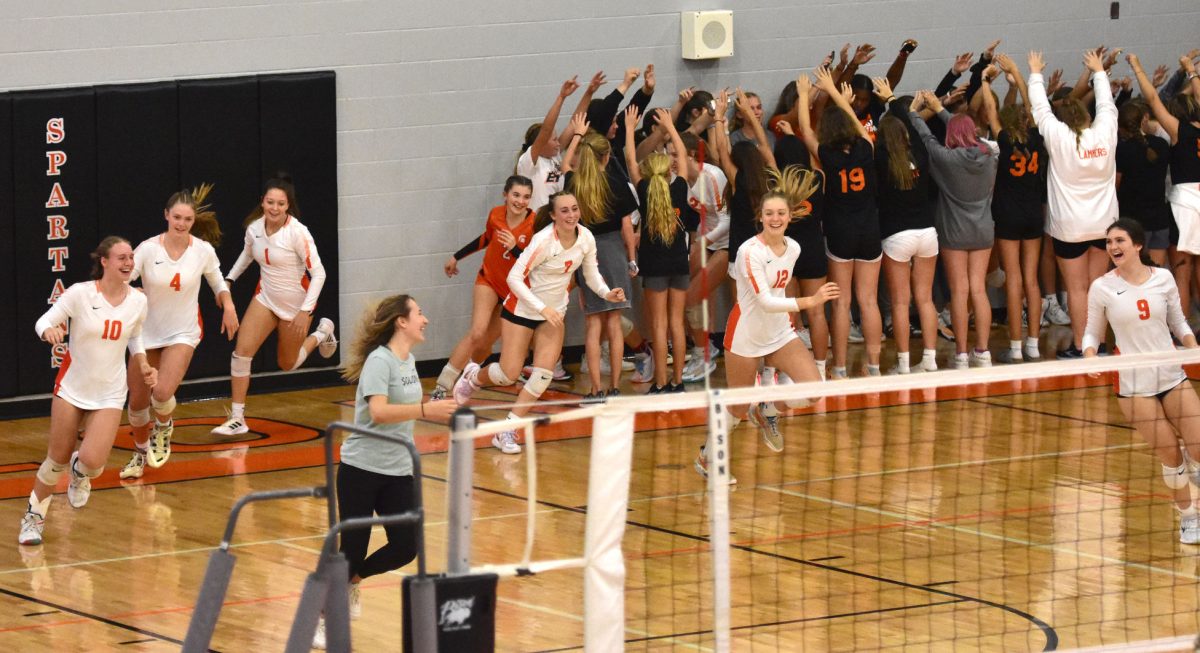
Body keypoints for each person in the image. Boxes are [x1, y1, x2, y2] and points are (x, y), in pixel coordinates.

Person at [309, 294, 458, 649]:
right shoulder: (381, 361)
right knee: (353, 547)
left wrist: (430, 411)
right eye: (419, 313)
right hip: (361, 469)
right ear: (401, 322)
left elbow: (404, 411)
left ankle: (351, 582)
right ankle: (323, 617)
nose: (426, 319)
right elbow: (377, 412)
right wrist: (425, 410)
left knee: (406, 546)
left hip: (398, 470)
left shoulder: (409, 361)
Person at [695, 168, 838, 480]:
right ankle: (709, 457)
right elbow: (765, 301)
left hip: (779, 333)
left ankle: (769, 406)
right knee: (736, 410)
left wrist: (795, 313)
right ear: (760, 217)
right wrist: (808, 303)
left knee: (814, 391)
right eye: (770, 214)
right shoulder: (749, 251)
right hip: (746, 335)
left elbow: (778, 294)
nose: (776, 219)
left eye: (781, 214)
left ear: (789, 217)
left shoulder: (794, 248)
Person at [453, 192, 625, 453]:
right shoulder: (543, 241)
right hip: (521, 310)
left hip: (553, 314)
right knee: (508, 375)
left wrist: (606, 293)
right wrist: (540, 307)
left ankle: (507, 430)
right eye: (564, 211)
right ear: (554, 215)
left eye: (575, 209)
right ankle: (474, 376)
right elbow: (514, 279)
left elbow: (590, 273)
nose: (571, 215)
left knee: (542, 376)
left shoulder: (586, 238)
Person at [20, 237, 157, 545]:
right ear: (104, 261)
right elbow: (43, 321)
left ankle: (80, 473)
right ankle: (33, 518)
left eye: (130, 258)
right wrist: (50, 331)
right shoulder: (81, 294)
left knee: (94, 463)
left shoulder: (138, 301)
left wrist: (144, 363)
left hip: (109, 392)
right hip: (72, 388)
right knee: (55, 460)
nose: (127, 263)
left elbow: (135, 336)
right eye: (121, 258)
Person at [1082, 219, 1200, 544]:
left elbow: (1179, 321)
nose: (1113, 247)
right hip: (1133, 385)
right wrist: (1090, 353)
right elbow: (1092, 330)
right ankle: (1189, 517)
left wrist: (1192, 347)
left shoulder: (1162, 278)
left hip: (1171, 374)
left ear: (1137, 245)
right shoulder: (1102, 287)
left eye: (1119, 240)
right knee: (1171, 457)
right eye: (1108, 242)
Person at [117, 187, 239, 480]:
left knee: (161, 393)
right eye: (176, 218)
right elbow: (121, 278)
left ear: (193, 221)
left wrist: (229, 305)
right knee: (136, 403)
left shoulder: (202, 251)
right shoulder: (147, 249)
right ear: (166, 216)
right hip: (146, 334)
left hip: (182, 332)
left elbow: (218, 283)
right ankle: (140, 453)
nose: (181, 224)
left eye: (187, 219)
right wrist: (131, 288)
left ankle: (165, 426)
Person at [212, 175, 338, 436]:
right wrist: (229, 280)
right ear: (263, 202)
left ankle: (322, 333)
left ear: (288, 205)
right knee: (241, 353)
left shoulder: (298, 233)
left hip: (295, 305)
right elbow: (247, 255)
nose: (274, 208)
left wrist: (306, 312)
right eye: (270, 202)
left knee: (287, 364)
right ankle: (237, 418)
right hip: (266, 298)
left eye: (280, 204)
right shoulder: (254, 229)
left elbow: (320, 274)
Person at [1028, 49, 1118, 359]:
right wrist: (1099, 71)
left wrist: (1035, 73)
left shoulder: (1059, 138)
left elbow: (1039, 108)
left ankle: (1083, 346)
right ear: (1086, 115)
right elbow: (1107, 104)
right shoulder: (1105, 133)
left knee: (1078, 290)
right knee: (1098, 286)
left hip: (1070, 229)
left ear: (1063, 120)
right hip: (1104, 226)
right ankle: (1101, 343)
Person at [909, 87, 1000, 369]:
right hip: (984, 230)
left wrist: (915, 112)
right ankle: (983, 351)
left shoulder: (945, 159)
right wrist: (943, 110)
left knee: (959, 291)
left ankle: (961, 353)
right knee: (978, 290)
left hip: (954, 231)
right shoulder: (990, 155)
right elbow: (968, 134)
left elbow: (926, 136)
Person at [432, 176, 537, 400]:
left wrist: (516, 248)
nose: (520, 201)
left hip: (514, 291)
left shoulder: (535, 225)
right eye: (516, 195)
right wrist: (456, 256)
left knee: (487, 342)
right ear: (506, 194)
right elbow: (486, 238)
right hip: (489, 280)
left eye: (526, 196)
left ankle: (468, 378)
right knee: (477, 332)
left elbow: (534, 264)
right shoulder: (496, 214)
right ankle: (442, 386)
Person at [813, 66, 883, 378]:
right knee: (868, 301)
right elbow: (860, 127)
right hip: (869, 230)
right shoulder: (867, 149)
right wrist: (844, 101)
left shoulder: (825, 154)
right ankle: (874, 366)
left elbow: (805, 125)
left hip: (840, 231)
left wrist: (814, 94)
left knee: (842, 303)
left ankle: (839, 368)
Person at [561, 115, 638, 399]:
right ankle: (615, 386)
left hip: (587, 255)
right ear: (606, 158)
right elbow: (627, 227)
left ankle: (595, 389)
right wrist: (631, 259)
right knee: (614, 324)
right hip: (614, 251)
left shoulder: (574, 183)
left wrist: (578, 135)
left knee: (593, 325)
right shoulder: (616, 184)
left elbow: (564, 165)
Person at [625, 107, 698, 392]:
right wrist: (670, 126)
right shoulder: (679, 187)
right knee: (677, 324)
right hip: (679, 264)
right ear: (670, 170)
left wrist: (631, 129)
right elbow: (679, 153)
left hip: (654, 267)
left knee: (658, 325)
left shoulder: (643, 189)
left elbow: (631, 159)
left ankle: (661, 382)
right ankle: (678, 382)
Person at [869, 80, 939, 374]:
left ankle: (903, 364)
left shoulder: (882, 159)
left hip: (897, 236)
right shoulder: (920, 155)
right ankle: (931, 360)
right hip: (927, 233)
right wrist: (894, 100)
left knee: (900, 302)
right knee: (925, 298)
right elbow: (913, 128)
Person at [1128, 52, 1200, 322]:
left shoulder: (1178, 130)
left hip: (1185, 203)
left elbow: (1152, 100)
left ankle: (1182, 334)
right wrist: (1191, 72)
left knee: (1182, 270)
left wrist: (1137, 66)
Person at [986, 53, 1047, 364]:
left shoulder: (1005, 140)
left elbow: (991, 109)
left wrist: (986, 81)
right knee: (1031, 279)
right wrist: (1018, 76)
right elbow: (1033, 104)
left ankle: (1015, 346)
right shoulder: (1037, 138)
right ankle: (1034, 343)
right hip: (1033, 215)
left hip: (1008, 216)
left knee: (1014, 279)